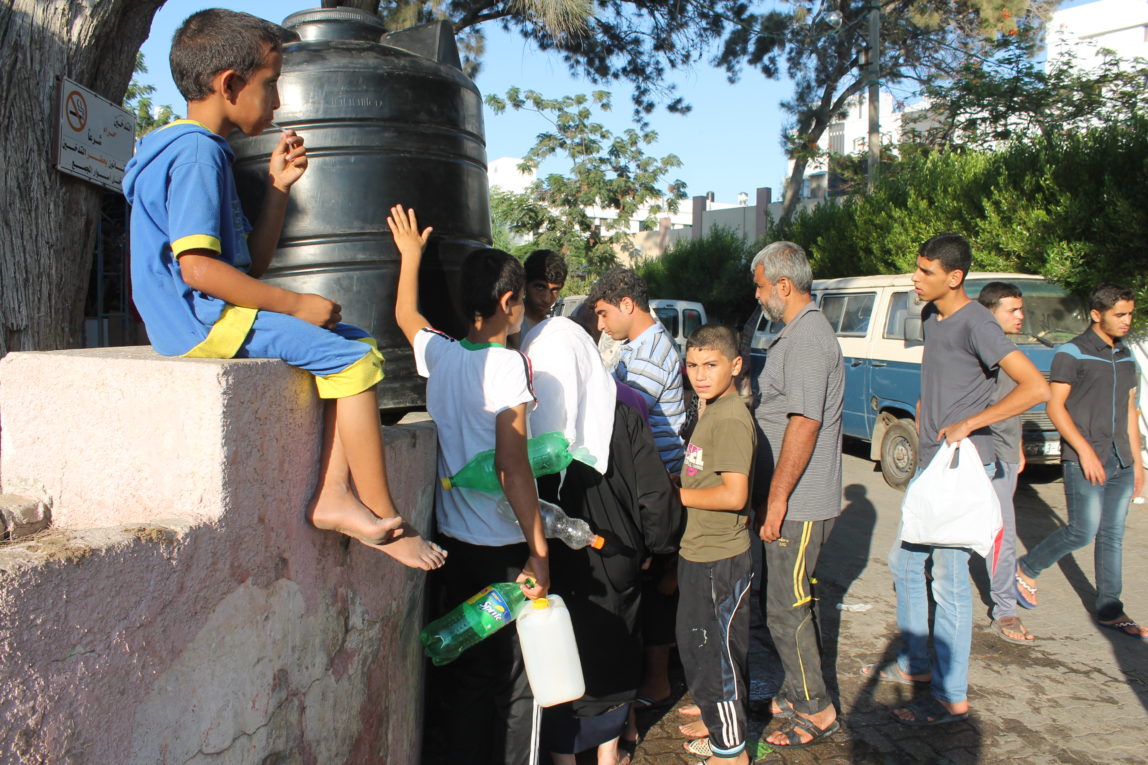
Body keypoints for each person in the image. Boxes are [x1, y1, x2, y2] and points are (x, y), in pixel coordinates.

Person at [121, 9, 443, 570]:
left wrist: (276, 189)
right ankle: (384, 520)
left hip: (199, 317)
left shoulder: (191, 151)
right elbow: (197, 270)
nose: (275, 104)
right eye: (270, 85)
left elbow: (252, 263)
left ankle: (335, 494)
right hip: (202, 322)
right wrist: (297, 304)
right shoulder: (197, 153)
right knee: (353, 359)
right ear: (229, 84)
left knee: (355, 343)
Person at [390, 205, 549, 764]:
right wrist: (540, 549)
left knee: (463, 683)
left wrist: (409, 256)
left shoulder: (442, 355)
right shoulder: (509, 366)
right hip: (503, 556)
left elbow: (406, 313)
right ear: (507, 304)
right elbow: (512, 467)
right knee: (513, 685)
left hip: (452, 549)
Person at [882, 234, 1048, 726]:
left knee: (949, 580)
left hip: (964, 465)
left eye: (925, 271)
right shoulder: (932, 317)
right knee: (905, 562)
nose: (916, 278)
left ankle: (951, 698)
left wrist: (973, 423)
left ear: (954, 277)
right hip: (932, 463)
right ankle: (918, 665)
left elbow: (1034, 386)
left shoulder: (978, 321)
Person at [521, 316, 680, 765]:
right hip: (616, 557)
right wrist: (659, 547)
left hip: (550, 562)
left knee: (560, 658)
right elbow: (653, 494)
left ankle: (564, 755)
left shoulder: (523, 420)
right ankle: (609, 753)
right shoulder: (622, 414)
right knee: (614, 650)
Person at [750, 242, 844, 748]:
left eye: (762, 286)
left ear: (784, 285)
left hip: (799, 502)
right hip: (792, 497)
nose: (759, 295)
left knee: (788, 606)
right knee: (790, 601)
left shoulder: (808, 339)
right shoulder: (798, 334)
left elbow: (804, 423)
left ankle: (816, 707)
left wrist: (779, 498)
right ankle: (794, 689)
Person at [1016, 284, 1146, 638]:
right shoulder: (1071, 353)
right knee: (1082, 530)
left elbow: (1131, 412)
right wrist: (1085, 450)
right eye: (1120, 314)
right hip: (1084, 458)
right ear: (1096, 314)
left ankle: (1110, 609)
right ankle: (1026, 567)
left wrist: (1137, 462)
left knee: (1112, 535)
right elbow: (1054, 406)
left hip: (1119, 458)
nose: (1126, 321)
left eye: (1129, 314)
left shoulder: (1125, 356)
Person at [591, 267, 686, 718]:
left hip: (658, 480)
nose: (602, 325)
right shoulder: (638, 347)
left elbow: (624, 412)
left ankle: (658, 680)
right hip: (649, 478)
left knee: (656, 587)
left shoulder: (651, 350)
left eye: (605, 313)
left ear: (628, 305)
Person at [674, 324, 756, 765]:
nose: (699, 375)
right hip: (700, 550)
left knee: (718, 653)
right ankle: (715, 718)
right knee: (703, 647)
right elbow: (702, 474)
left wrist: (678, 496)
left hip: (718, 559)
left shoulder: (728, 419)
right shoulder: (710, 409)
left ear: (735, 365)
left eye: (711, 365)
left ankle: (730, 752)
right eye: (692, 365)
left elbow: (734, 495)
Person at [975, 282, 1036, 644]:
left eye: (1020, 308)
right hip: (987, 452)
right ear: (990, 312)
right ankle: (1005, 610)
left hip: (1007, 452)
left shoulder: (1008, 350)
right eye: (1012, 309)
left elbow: (1011, 406)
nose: (1020, 315)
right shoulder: (985, 349)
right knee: (1001, 533)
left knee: (999, 531)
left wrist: (1019, 448)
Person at [513, 249, 567, 345]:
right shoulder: (510, 324)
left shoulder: (555, 328)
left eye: (554, 290)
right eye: (540, 287)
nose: (547, 299)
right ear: (525, 283)